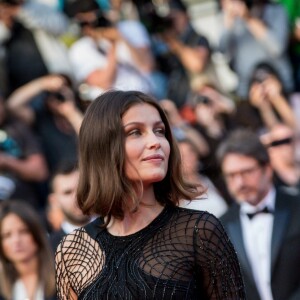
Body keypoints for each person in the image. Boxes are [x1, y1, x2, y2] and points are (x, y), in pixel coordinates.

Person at [55, 90, 245, 299]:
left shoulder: (199, 232)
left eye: (160, 130)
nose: (156, 141)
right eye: (135, 132)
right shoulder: (72, 251)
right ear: (102, 146)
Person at [217, 129, 300, 300]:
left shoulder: (296, 206)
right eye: (231, 176)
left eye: (246, 172)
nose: (239, 183)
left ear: (267, 169)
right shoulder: (221, 225)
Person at [0, 200, 56, 300]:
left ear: (36, 234)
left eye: (23, 231)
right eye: (7, 235)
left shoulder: (61, 277)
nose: (16, 241)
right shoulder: (2, 288)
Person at [48, 160, 91, 252]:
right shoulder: (51, 248)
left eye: (82, 188)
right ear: (54, 201)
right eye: (67, 193)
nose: (77, 197)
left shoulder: (116, 225)